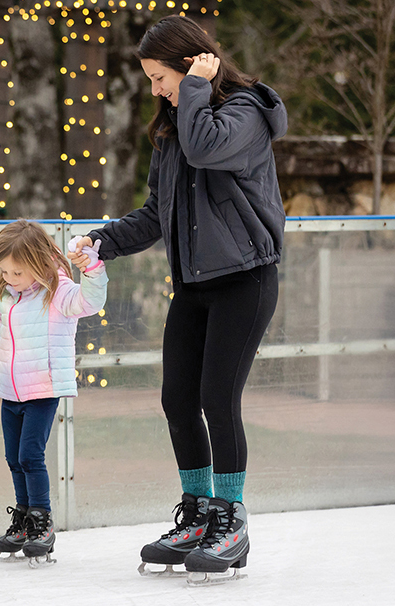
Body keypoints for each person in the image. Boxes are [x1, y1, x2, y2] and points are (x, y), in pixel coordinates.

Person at [66, 15, 286, 583]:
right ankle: (197, 513)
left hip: (245, 279)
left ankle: (230, 520)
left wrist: (191, 91)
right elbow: (155, 213)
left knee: (218, 399)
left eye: (161, 77)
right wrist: (102, 241)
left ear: (193, 65)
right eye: (152, 80)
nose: (157, 90)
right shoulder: (172, 127)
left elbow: (209, 148)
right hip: (194, 285)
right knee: (177, 400)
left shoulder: (245, 113)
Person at [0, 219, 107, 566]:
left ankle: (41, 520)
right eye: (4, 271)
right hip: (10, 391)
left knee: (31, 456)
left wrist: (92, 268)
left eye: (17, 272)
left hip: (42, 390)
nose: (8, 278)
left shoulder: (58, 293)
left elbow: (90, 301)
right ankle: (22, 516)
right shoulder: (6, 295)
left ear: (38, 263)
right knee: (13, 458)